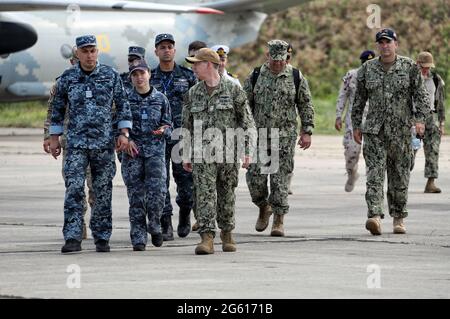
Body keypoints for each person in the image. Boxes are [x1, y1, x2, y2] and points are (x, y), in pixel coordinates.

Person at [49, 35, 132, 253]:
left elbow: (123, 104)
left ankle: (102, 237)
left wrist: (123, 133)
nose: (89, 55)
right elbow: (57, 108)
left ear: (97, 52)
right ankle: (73, 237)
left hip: (103, 144)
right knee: (74, 189)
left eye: (92, 51)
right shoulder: (67, 78)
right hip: (76, 145)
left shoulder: (110, 75)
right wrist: (54, 137)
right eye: (84, 51)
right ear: (77, 53)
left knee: (102, 190)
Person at [352, 28, 430, 236]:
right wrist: (356, 125)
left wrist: (420, 120)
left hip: (401, 132)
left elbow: (421, 96)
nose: (385, 46)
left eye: (388, 42)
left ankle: (398, 218)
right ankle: (375, 216)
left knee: (399, 176)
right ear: (377, 46)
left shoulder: (409, 67)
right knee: (375, 175)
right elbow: (358, 100)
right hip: (375, 131)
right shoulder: (367, 69)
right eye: (381, 43)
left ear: (396, 44)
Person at [183, 48, 256, 254]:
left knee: (226, 193)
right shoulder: (192, 93)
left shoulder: (234, 91)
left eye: (196, 63)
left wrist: (248, 151)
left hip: (228, 152)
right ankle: (207, 237)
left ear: (208, 65)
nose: (193, 67)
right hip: (201, 153)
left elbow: (247, 122)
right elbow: (186, 126)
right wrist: (185, 153)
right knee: (204, 194)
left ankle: (227, 232)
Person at [243, 40, 315, 237]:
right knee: (254, 178)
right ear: (267, 56)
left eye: (280, 61)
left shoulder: (295, 76)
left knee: (280, 180)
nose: (277, 64)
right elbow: (244, 104)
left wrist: (307, 130)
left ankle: (279, 220)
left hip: (284, 137)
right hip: (260, 135)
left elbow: (305, 104)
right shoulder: (256, 75)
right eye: (273, 60)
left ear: (287, 58)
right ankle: (263, 206)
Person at [43, 47, 94, 240]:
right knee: (73, 186)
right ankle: (77, 224)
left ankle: (97, 224)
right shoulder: (62, 83)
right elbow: (52, 112)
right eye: (74, 60)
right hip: (71, 144)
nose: (75, 64)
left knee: (96, 186)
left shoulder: (100, 80)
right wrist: (49, 136)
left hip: (96, 143)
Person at [121, 59, 172, 251]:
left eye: (142, 73)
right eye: (135, 74)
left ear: (149, 74)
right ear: (131, 78)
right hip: (133, 153)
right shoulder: (125, 99)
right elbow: (119, 125)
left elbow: (169, 124)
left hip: (155, 153)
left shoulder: (161, 99)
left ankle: (155, 223)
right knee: (135, 196)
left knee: (157, 193)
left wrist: (163, 130)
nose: (139, 77)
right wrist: (125, 138)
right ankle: (138, 238)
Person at [151, 33, 197, 241]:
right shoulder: (149, 77)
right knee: (160, 183)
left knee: (186, 184)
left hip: (182, 137)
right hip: (158, 139)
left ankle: (185, 214)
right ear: (156, 52)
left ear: (174, 50)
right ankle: (165, 222)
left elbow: (198, 106)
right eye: (162, 47)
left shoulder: (188, 77)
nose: (166, 50)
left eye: (170, 47)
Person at [335, 50, 375, 192]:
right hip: (353, 121)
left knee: (374, 155)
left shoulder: (381, 76)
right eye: (365, 63)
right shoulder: (352, 76)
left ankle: (373, 186)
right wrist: (338, 116)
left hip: (373, 120)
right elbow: (342, 96)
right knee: (351, 152)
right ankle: (352, 173)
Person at [411, 51, 446, 193]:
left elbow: (440, 101)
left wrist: (441, 122)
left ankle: (430, 182)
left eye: (428, 67)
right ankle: (401, 180)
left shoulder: (436, 79)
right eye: (423, 66)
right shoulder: (410, 78)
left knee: (433, 150)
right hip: (413, 118)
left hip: (431, 118)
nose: (426, 69)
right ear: (417, 64)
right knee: (409, 151)